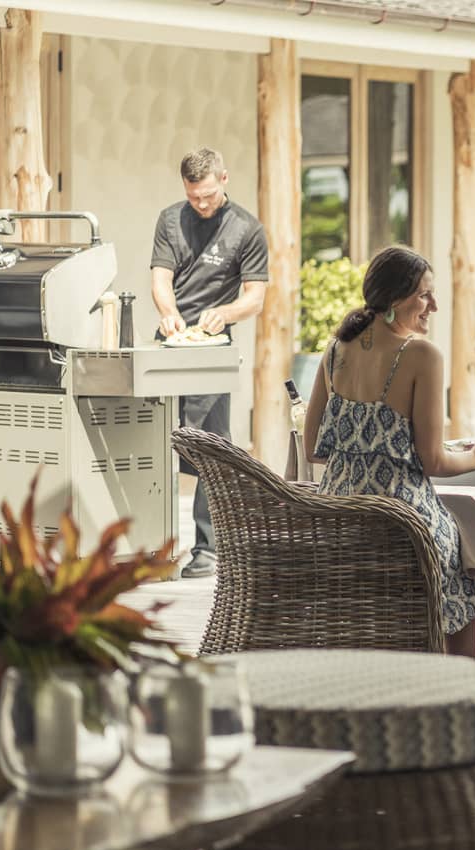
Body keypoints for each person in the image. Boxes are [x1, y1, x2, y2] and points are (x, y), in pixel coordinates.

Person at [302, 246, 475, 665]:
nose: (434, 306)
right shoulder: (421, 355)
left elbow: (313, 446)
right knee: (467, 558)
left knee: (466, 519)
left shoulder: (335, 351)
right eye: (425, 295)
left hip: (342, 516)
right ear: (395, 298)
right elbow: (434, 464)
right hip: (400, 519)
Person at [151, 147, 268, 579]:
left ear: (224, 177)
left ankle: (209, 549)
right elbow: (161, 277)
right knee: (154, 442)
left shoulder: (248, 229)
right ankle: (155, 548)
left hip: (214, 348)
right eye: (193, 196)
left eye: (208, 195)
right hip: (170, 343)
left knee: (210, 446)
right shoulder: (169, 220)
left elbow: (254, 298)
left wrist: (226, 314)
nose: (201, 204)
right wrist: (167, 312)